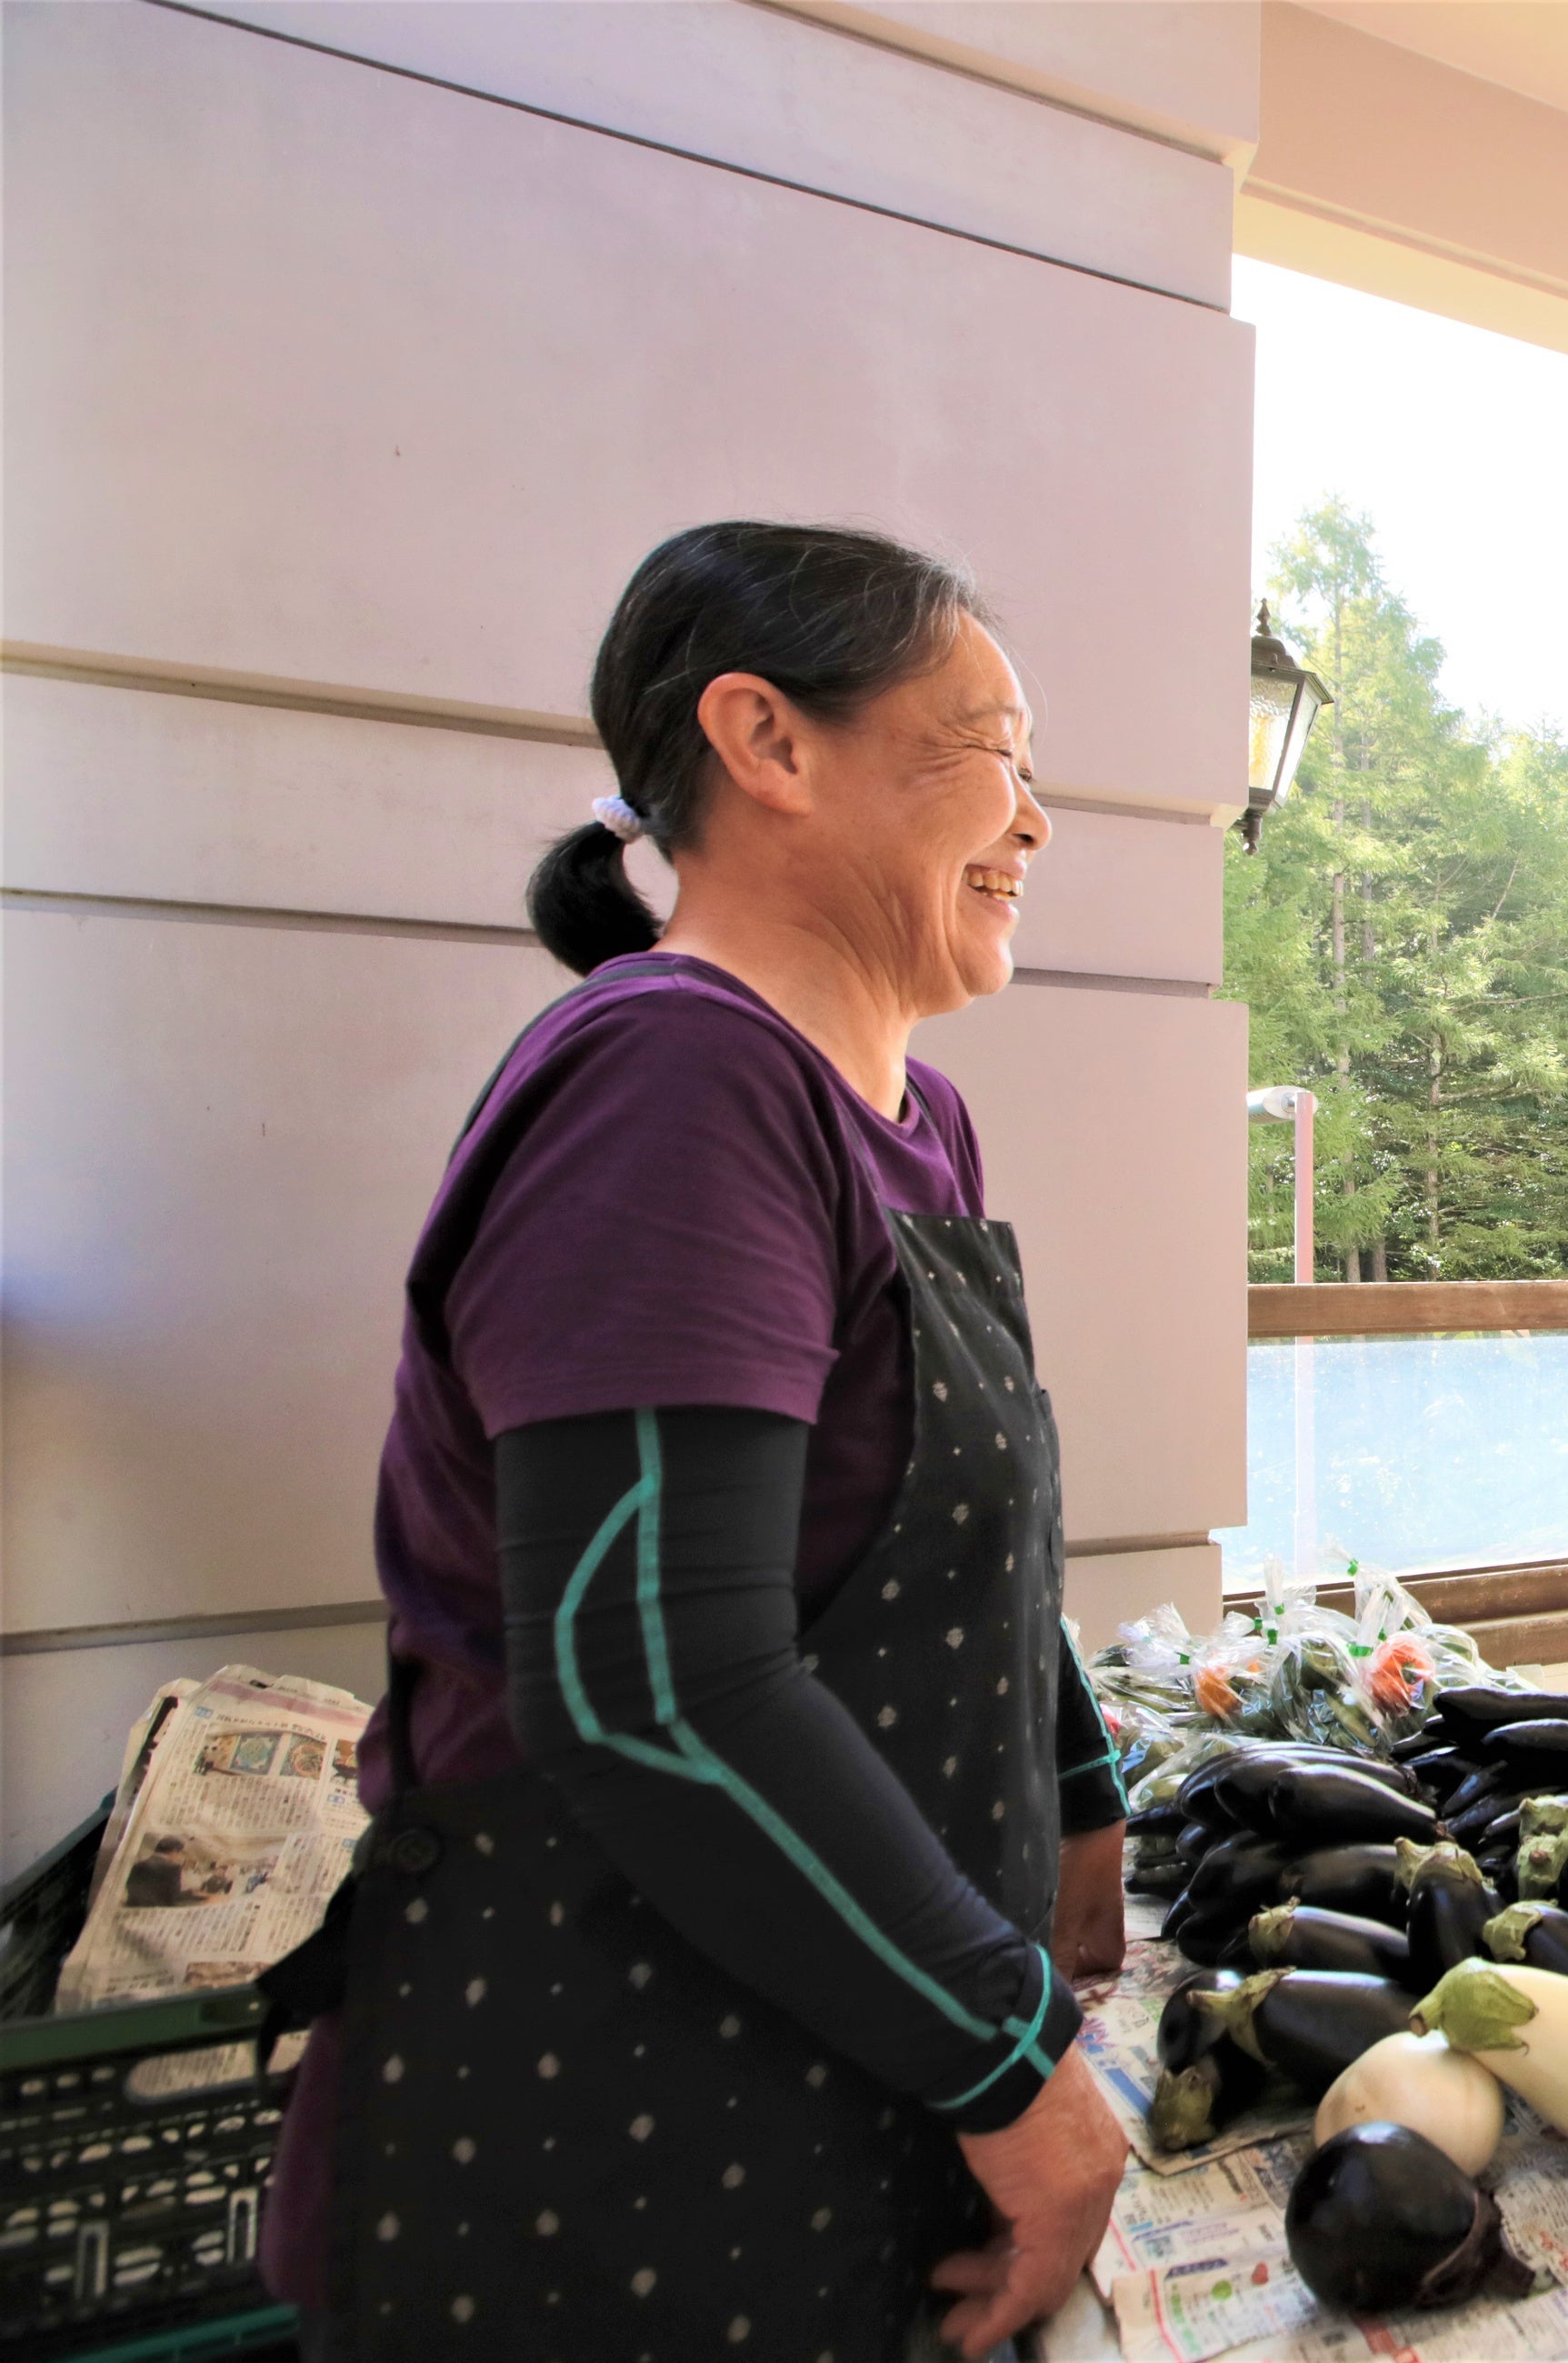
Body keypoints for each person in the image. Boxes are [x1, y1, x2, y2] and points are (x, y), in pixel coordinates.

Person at [261, 523, 1129, 2362]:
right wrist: (1009, 2063)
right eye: (994, 748)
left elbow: (957, 1524)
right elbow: (658, 1680)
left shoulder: (920, 1118)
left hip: (828, 2063)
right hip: (608, 2122)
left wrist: (1072, 1796)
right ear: (771, 741)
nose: (1037, 820)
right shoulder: (677, 1080)